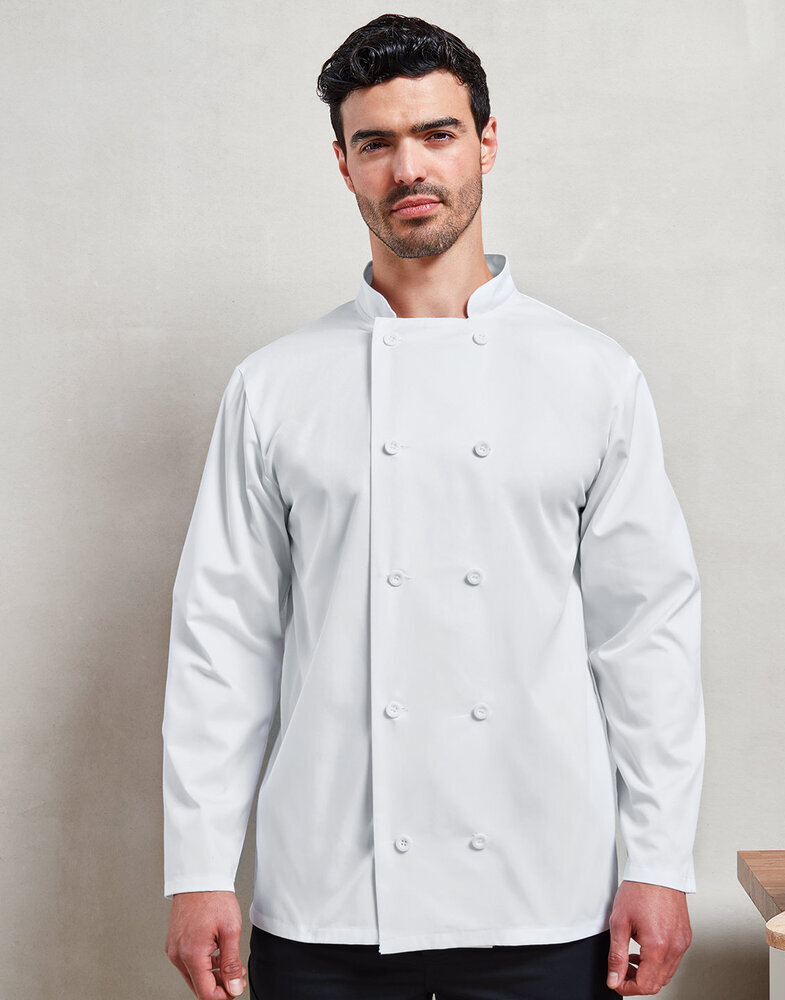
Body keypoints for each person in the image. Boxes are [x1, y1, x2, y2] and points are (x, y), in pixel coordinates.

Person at [162, 13, 705, 1000]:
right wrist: (198, 869)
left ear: (485, 142)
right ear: (343, 164)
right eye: (375, 142)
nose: (407, 167)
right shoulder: (273, 385)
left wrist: (659, 861)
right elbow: (222, 638)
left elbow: (646, 637)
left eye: (436, 133)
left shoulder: (592, 375)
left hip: (547, 890)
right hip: (326, 894)